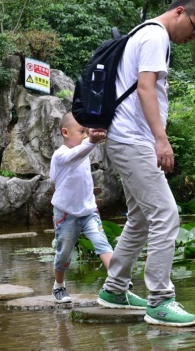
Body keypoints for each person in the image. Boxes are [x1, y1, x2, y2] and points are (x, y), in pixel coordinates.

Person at [96, 0, 195, 327]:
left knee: (140, 218)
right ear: (180, 12)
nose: (194, 36)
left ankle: (115, 289)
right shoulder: (155, 36)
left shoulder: (146, 32)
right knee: (166, 215)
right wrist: (161, 141)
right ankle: (160, 300)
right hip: (134, 141)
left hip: (129, 140)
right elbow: (146, 88)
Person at [50, 112, 112, 303]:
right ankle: (59, 286)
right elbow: (74, 157)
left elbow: (82, 153)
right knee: (64, 253)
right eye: (82, 131)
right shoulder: (60, 154)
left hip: (88, 211)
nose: (86, 135)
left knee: (102, 243)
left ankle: (117, 280)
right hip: (65, 213)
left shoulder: (83, 150)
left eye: (87, 132)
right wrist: (92, 141)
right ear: (65, 132)